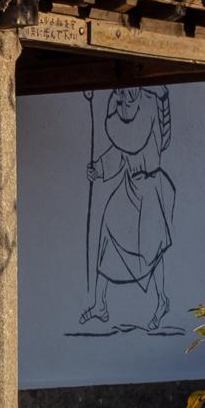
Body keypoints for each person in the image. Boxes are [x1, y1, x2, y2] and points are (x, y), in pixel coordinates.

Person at [82, 86, 176, 329]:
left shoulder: (151, 105)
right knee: (108, 231)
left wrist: (164, 100)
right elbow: (119, 152)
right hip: (129, 185)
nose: (124, 98)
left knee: (152, 249)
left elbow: (163, 138)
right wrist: (99, 169)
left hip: (151, 188)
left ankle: (162, 301)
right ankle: (100, 305)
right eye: (121, 95)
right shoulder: (119, 109)